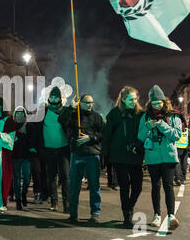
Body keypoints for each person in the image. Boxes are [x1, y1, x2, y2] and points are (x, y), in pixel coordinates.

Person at [138, 85, 181, 230]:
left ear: (164, 101)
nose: (157, 105)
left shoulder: (173, 115)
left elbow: (177, 135)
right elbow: (140, 136)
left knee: (168, 186)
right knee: (155, 186)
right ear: (150, 103)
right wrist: (147, 126)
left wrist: (162, 125)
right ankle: (157, 215)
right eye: (154, 103)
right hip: (153, 157)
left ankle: (171, 216)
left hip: (169, 156)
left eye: (159, 102)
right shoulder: (145, 117)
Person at [102, 86, 144, 228]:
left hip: (135, 154)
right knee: (124, 186)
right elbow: (107, 135)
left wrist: (138, 146)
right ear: (124, 99)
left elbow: (143, 133)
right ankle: (127, 216)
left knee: (137, 186)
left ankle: (129, 206)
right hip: (119, 155)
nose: (134, 101)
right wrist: (105, 155)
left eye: (135, 99)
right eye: (131, 99)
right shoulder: (114, 114)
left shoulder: (140, 114)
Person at [58, 94, 104, 223]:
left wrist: (91, 137)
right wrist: (70, 108)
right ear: (80, 103)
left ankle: (95, 213)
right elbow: (61, 121)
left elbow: (103, 133)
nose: (90, 105)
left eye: (91, 102)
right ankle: (73, 213)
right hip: (77, 154)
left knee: (94, 185)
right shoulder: (74, 115)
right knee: (74, 186)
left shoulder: (97, 117)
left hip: (92, 154)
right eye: (87, 102)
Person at [35, 86, 70, 212]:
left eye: (56, 97)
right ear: (49, 98)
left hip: (63, 149)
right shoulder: (43, 111)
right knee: (51, 177)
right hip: (48, 149)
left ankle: (67, 202)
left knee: (65, 176)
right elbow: (36, 129)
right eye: (52, 96)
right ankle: (54, 201)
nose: (54, 99)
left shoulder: (65, 111)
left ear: (60, 98)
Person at [12, 106, 37, 211]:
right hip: (15, 156)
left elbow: (33, 139)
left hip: (26, 156)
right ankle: (18, 200)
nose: (19, 115)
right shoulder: (12, 126)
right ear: (14, 115)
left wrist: (32, 148)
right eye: (17, 114)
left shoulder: (29, 126)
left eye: (21, 114)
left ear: (25, 115)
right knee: (16, 179)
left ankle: (24, 194)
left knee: (27, 178)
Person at [174, 114, 190, 185]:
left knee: (184, 166)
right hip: (176, 150)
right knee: (177, 165)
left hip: (185, 151)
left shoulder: (188, 131)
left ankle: (183, 178)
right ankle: (178, 179)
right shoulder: (175, 130)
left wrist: (189, 148)